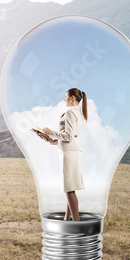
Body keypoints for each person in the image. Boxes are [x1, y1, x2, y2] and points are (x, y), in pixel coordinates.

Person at [37, 88, 88, 221]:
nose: (64, 99)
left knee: (69, 189)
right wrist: (50, 140)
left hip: (69, 152)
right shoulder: (79, 113)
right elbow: (68, 137)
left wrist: (50, 132)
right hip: (72, 151)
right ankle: (67, 219)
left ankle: (76, 222)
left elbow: (68, 136)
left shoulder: (71, 112)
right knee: (70, 188)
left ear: (72, 98)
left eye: (66, 97)